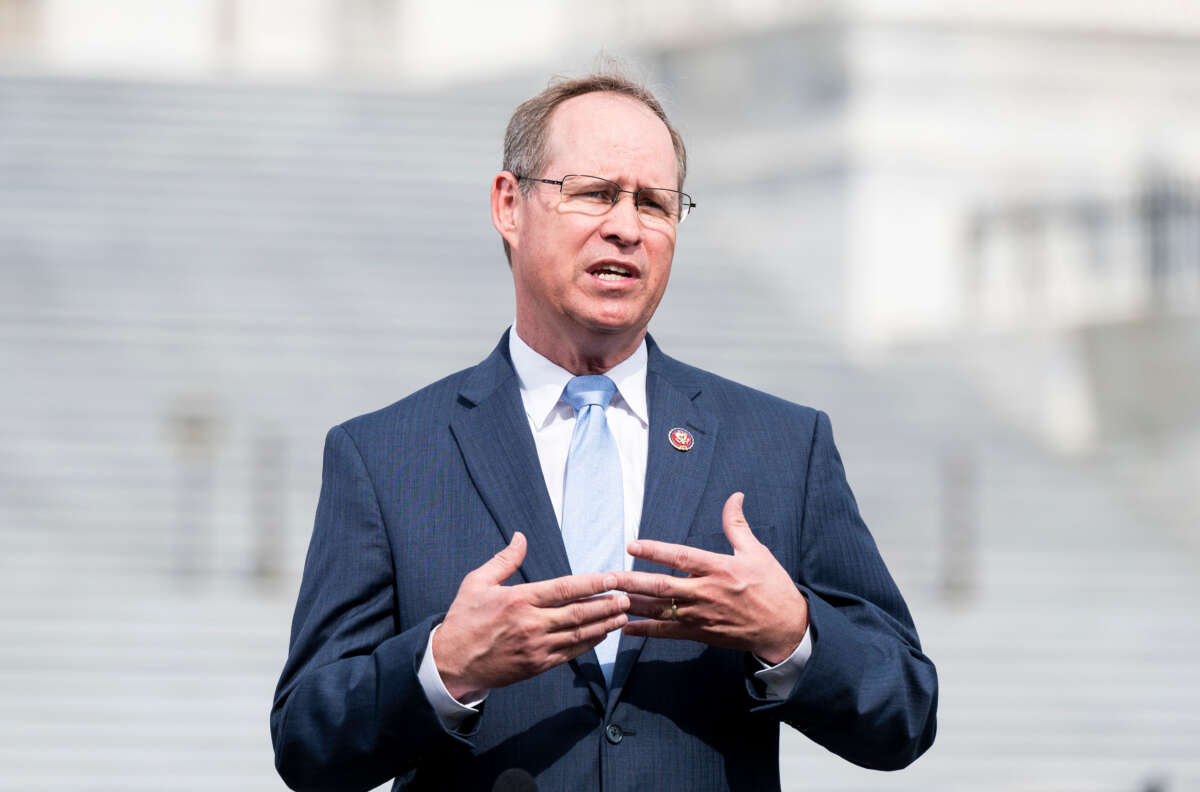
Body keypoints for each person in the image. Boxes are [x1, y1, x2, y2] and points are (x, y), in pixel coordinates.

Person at [271, 71, 937, 792]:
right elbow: (309, 741)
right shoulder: (386, 456)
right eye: (594, 192)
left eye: (654, 203)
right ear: (509, 205)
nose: (626, 226)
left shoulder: (781, 446)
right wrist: (446, 665)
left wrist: (789, 632)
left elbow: (902, 712)